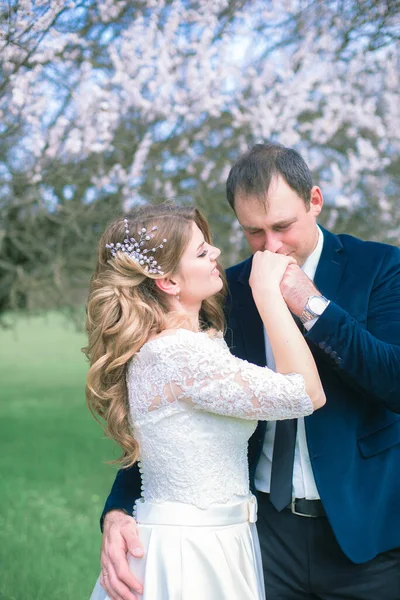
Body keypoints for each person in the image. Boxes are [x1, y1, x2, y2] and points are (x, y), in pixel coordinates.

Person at [96, 144, 400, 600]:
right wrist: (119, 509)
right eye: (253, 232)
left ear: (314, 201)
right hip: (262, 537)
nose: (272, 245)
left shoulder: (381, 267)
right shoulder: (226, 288)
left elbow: (393, 380)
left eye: (282, 226)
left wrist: (312, 306)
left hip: (366, 537)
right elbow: (172, 418)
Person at [85, 202, 326, 600]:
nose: (216, 253)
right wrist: (266, 292)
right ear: (168, 282)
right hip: (192, 552)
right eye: (201, 252)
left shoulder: (184, 347)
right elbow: (306, 394)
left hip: (216, 537)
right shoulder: (180, 356)